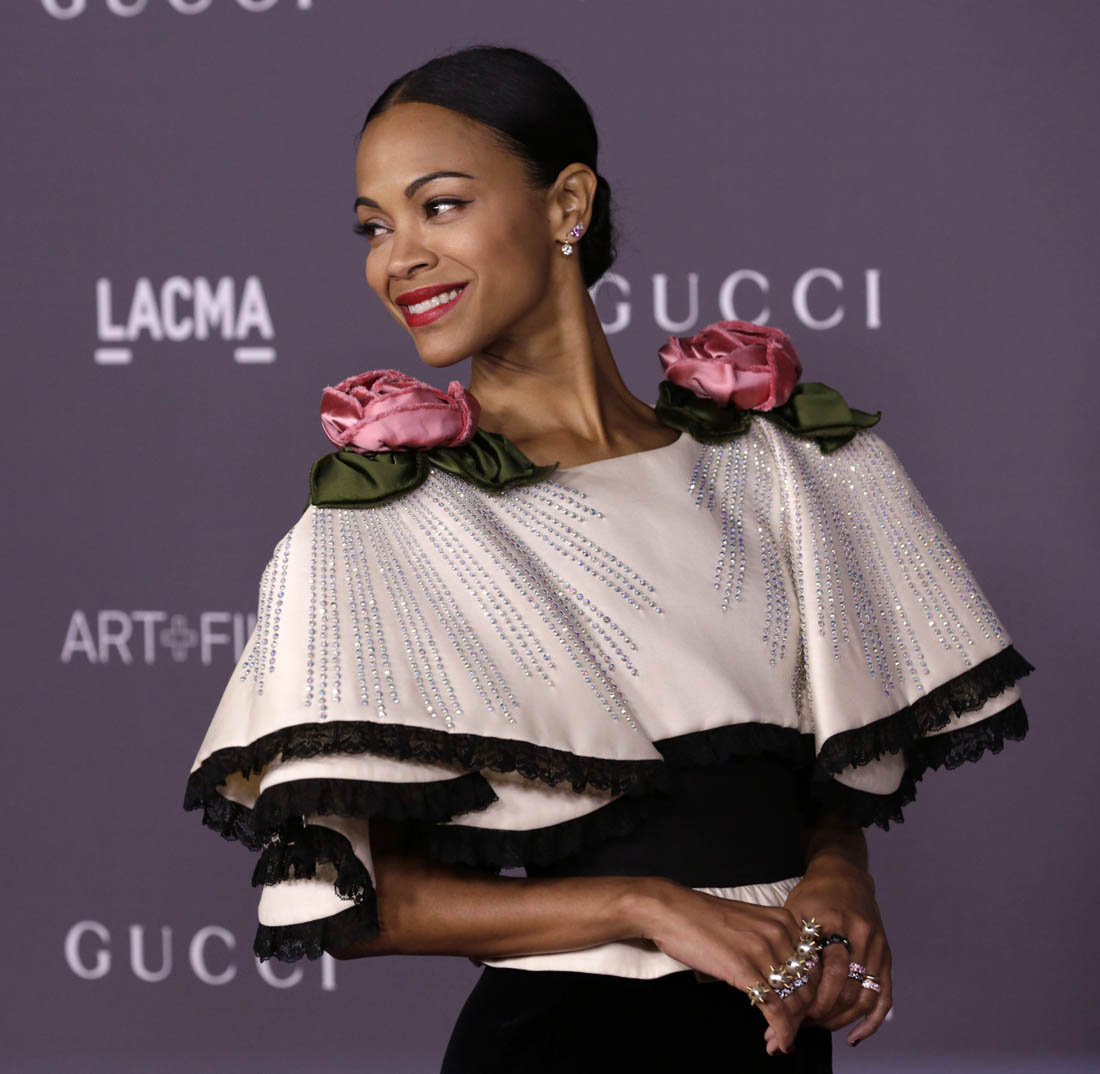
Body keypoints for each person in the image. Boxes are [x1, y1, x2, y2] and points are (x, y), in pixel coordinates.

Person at [183, 44, 1034, 1073]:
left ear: (567, 204)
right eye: (373, 227)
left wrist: (837, 871)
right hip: (556, 1044)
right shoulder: (387, 521)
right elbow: (362, 902)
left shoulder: (773, 467)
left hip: (773, 1042)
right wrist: (646, 906)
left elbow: (805, 776)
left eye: (439, 206)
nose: (396, 258)